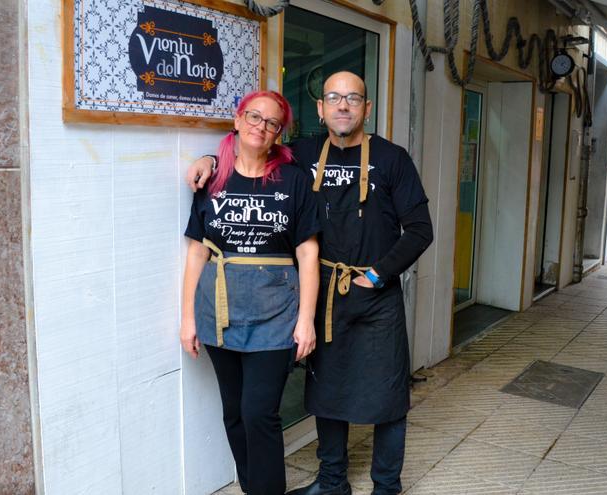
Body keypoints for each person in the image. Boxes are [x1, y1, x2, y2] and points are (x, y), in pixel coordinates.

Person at [187, 72, 433, 495]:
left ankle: (386, 486)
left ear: (366, 109)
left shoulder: (393, 159)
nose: (343, 105)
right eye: (333, 97)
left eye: (353, 98)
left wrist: (376, 275)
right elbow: (250, 148)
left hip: (376, 295)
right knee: (326, 392)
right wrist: (209, 161)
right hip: (324, 294)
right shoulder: (300, 154)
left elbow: (420, 230)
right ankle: (332, 482)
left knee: (389, 396)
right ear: (320, 109)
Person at [180, 90, 321, 495]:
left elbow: (308, 254)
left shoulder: (294, 180)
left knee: (259, 413)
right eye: (254, 117)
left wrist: (305, 319)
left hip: (276, 315)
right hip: (219, 312)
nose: (262, 127)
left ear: (279, 133)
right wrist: (188, 317)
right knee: (234, 414)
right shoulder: (212, 179)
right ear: (238, 120)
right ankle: (252, 487)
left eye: (272, 122)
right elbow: (197, 251)